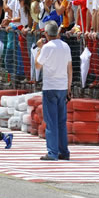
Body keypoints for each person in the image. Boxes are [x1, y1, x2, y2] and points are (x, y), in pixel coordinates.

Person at [34, 21, 71, 161]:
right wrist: (69, 87)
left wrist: (39, 49)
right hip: (62, 86)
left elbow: (38, 65)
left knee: (51, 121)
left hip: (50, 86)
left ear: (46, 34)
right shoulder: (66, 46)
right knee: (61, 121)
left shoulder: (46, 47)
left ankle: (52, 152)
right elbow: (70, 68)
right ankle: (64, 151)